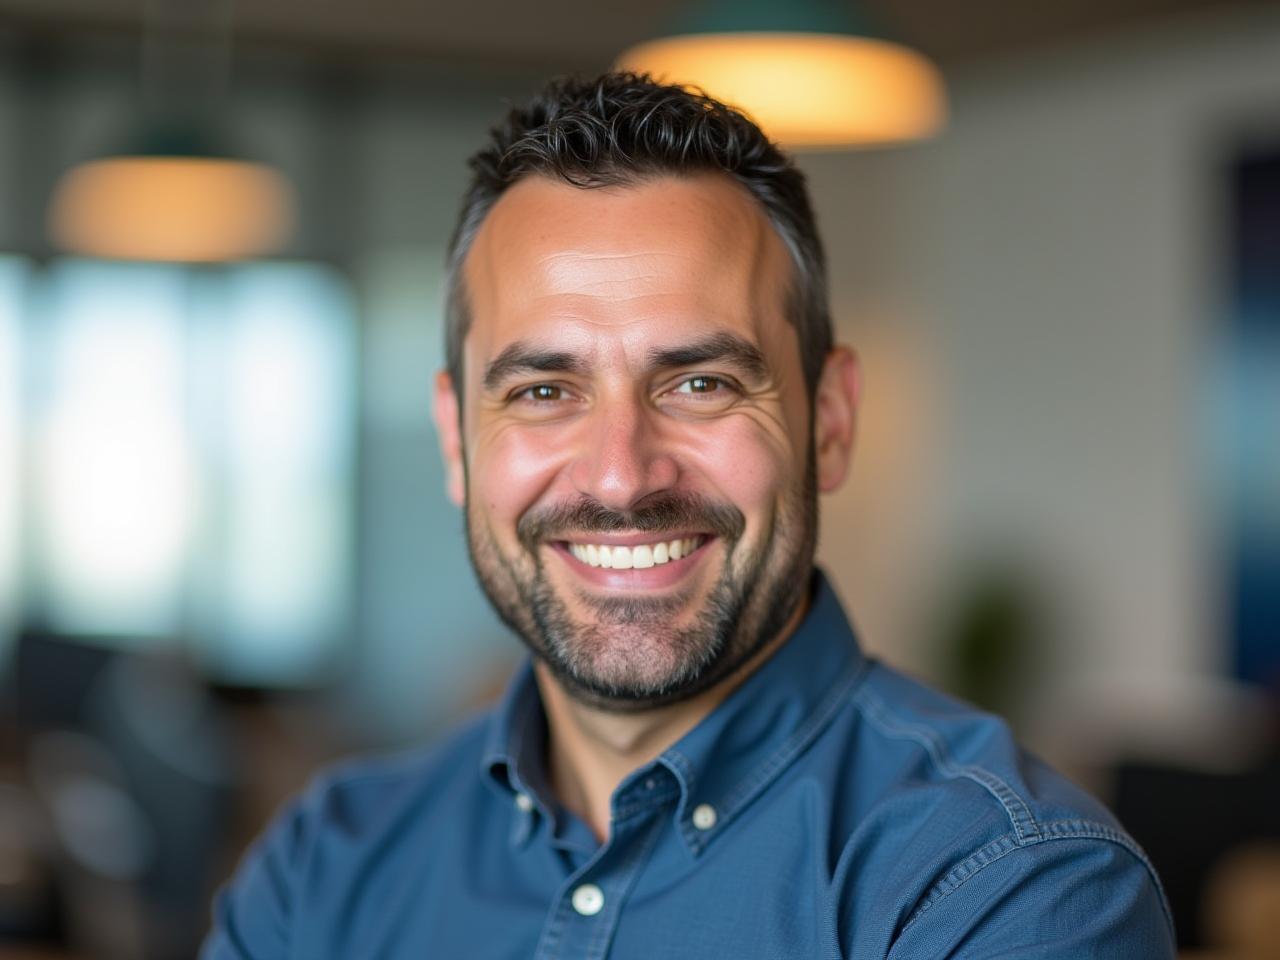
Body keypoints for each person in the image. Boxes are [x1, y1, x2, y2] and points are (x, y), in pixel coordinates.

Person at [202, 72, 1175, 959]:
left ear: (827, 421)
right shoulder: (324, 869)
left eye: (700, 382)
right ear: (457, 441)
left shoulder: (1006, 887)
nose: (621, 477)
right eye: (543, 391)